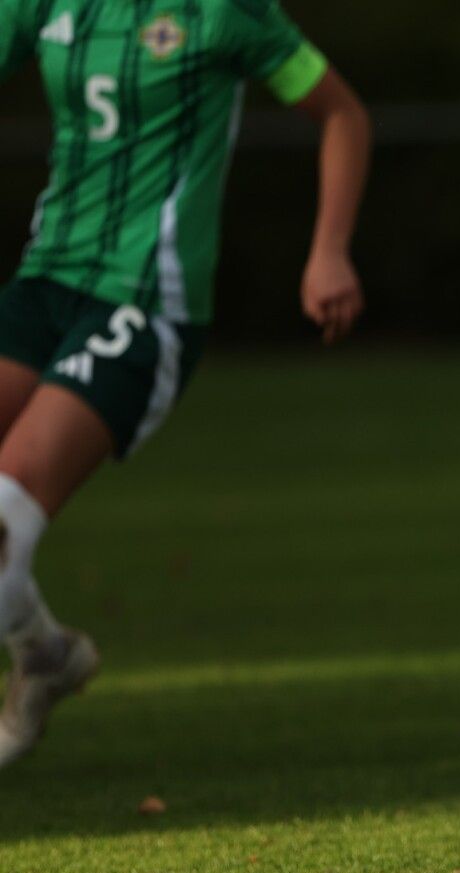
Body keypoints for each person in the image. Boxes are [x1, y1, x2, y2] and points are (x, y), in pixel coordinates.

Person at [0, 0, 370, 768]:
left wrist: (329, 249)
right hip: (43, 286)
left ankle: (41, 652)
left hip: (145, 301)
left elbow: (342, 114)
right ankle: (44, 653)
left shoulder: (223, 12)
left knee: (5, 508)